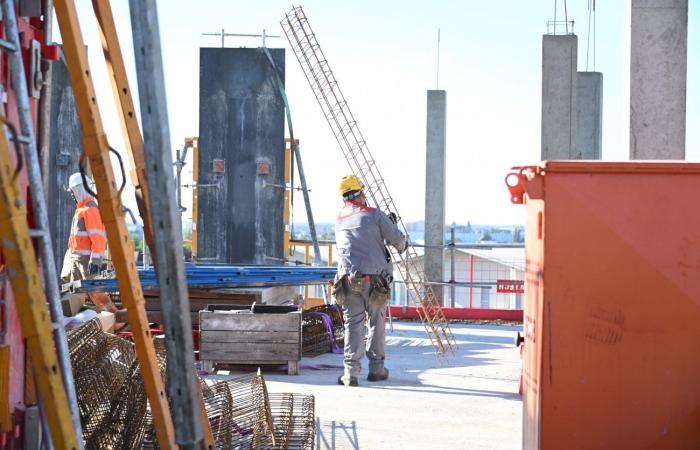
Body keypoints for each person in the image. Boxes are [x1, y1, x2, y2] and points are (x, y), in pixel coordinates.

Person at [332, 174, 408, 386]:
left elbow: (359, 239)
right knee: (376, 322)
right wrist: (396, 234)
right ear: (360, 193)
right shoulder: (374, 215)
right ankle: (376, 369)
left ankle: (350, 373)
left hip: (347, 280)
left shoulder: (339, 219)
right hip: (375, 281)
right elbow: (398, 241)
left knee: (353, 324)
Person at [60, 172, 116, 313]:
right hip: (75, 258)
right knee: (73, 289)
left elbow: (98, 238)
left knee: (95, 291)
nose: (72, 194)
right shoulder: (82, 209)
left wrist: (95, 261)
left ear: (80, 189)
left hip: (84, 261)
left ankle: (116, 317)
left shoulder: (90, 209)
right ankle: (79, 317)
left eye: (73, 191)